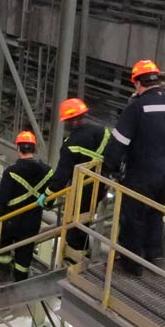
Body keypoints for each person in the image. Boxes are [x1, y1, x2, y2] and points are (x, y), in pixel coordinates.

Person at [103, 59, 165, 276]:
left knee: (133, 216)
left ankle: (132, 265)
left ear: (137, 83)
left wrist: (109, 167)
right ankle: (155, 254)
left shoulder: (137, 108)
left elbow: (118, 143)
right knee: (155, 212)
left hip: (142, 173)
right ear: (158, 80)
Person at [0, 131, 54, 281]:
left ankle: (2, 272)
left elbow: (1, 200)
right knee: (25, 250)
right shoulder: (47, 171)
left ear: (18, 149)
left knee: (2, 244)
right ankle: (20, 278)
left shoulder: (11, 172)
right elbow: (50, 201)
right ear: (34, 149)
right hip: (32, 220)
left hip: (10, 219)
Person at [47, 98, 110, 252]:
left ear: (70, 121)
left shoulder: (71, 144)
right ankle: (83, 250)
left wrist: (48, 196)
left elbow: (61, 175)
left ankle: (74, 256)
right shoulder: (103, 131)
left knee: (75, 223)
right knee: (86, 220)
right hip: (102, 184)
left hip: (82, 189)